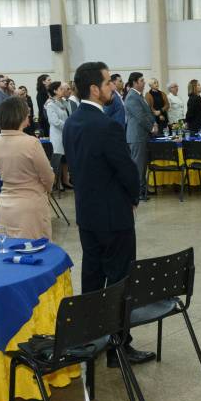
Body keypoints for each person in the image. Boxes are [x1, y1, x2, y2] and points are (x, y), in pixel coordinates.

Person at [63, 61, 154, 366]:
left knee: (92, 278)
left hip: (87, 214)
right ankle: (119, 347)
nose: (113, 87)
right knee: (120, 282)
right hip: (114, 216)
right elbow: (126, 169)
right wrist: (133, 197)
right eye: (107, 82)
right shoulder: (106, 125)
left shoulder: (72, 123)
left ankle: (92, 340)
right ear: (94, 89)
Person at [0, 97, 55, 240]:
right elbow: (48, 176)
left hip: (4, 204)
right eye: (27, 114)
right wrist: (47, 190)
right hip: (29, 205)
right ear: (20, 116)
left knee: (7, 248)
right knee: (35, 248)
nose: (29, 118)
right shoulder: (31, 143)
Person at [124, 72, 157, 201]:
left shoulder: (139, 96)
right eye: (142, 80)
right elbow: (140, 116)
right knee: (138, 166)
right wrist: (152, 127)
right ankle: (137, 193)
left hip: (142, 135)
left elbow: (147, 113)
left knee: (142, 166)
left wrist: (154, 123)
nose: (144, 83)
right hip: (137, 136)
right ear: (135, 82)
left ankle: (143, 190)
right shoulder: (132, 97)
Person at [45, 81, 73, 190]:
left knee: (66, 159)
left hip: (66, 134)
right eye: (61, 89)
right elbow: (55, 121)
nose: (63, 90)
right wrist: (68, 125)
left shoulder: (65, 102)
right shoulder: (50, 105)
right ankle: (57, 182)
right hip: (57, 135)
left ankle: (66, 180)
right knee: (58, 160)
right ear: (55, 91)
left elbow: (70, 116)